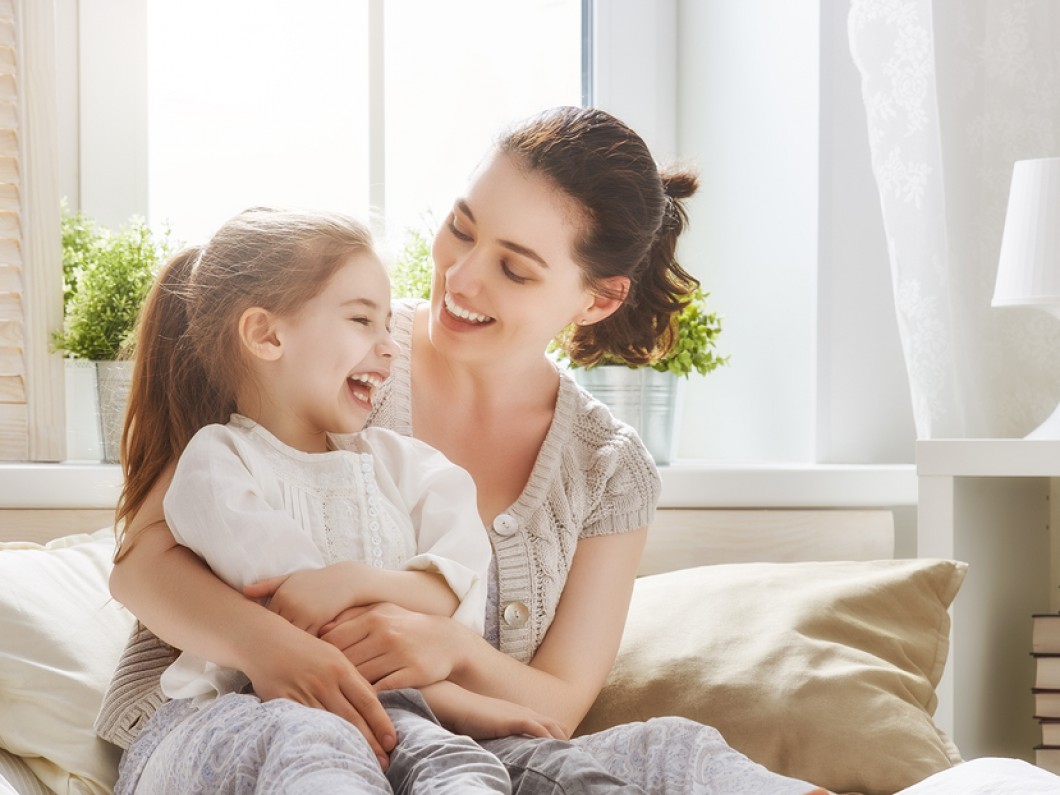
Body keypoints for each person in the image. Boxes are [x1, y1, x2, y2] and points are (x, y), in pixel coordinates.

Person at [100, 106, 827, 794]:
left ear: (597, 299)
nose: (462, 277)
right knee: (318, 743)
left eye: (515, 268)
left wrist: (449, 650)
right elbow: (141, 564)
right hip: (230, 720)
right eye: (461, 227)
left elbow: (557, 704)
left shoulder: (607, 468)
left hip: (442, 749)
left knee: (670, 749)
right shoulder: (341, 359)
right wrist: (271, 647)